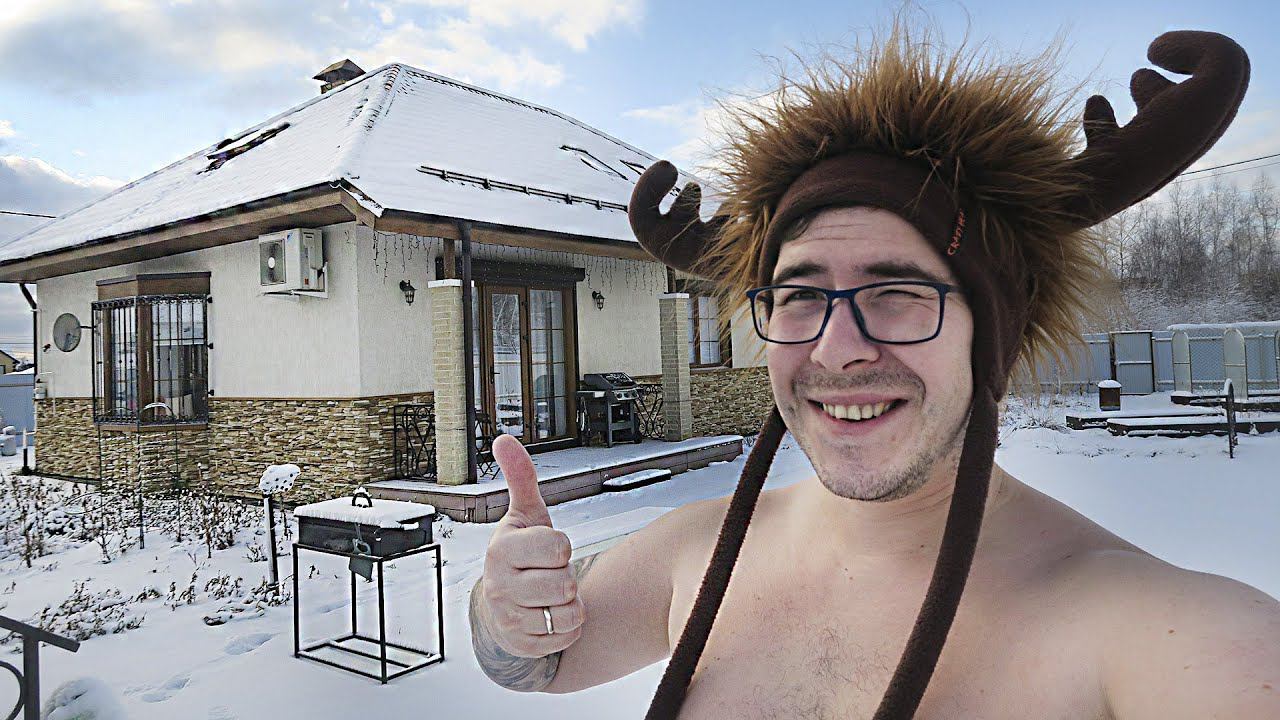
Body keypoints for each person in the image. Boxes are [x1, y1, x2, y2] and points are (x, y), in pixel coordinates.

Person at [469, 21, 1279, 719]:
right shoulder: (696, 551)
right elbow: (541, 661)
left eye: (896, 293)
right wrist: (501, 609)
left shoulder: (1157, 631)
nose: (837, 349)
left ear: (993, 331)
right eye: (799, 295)